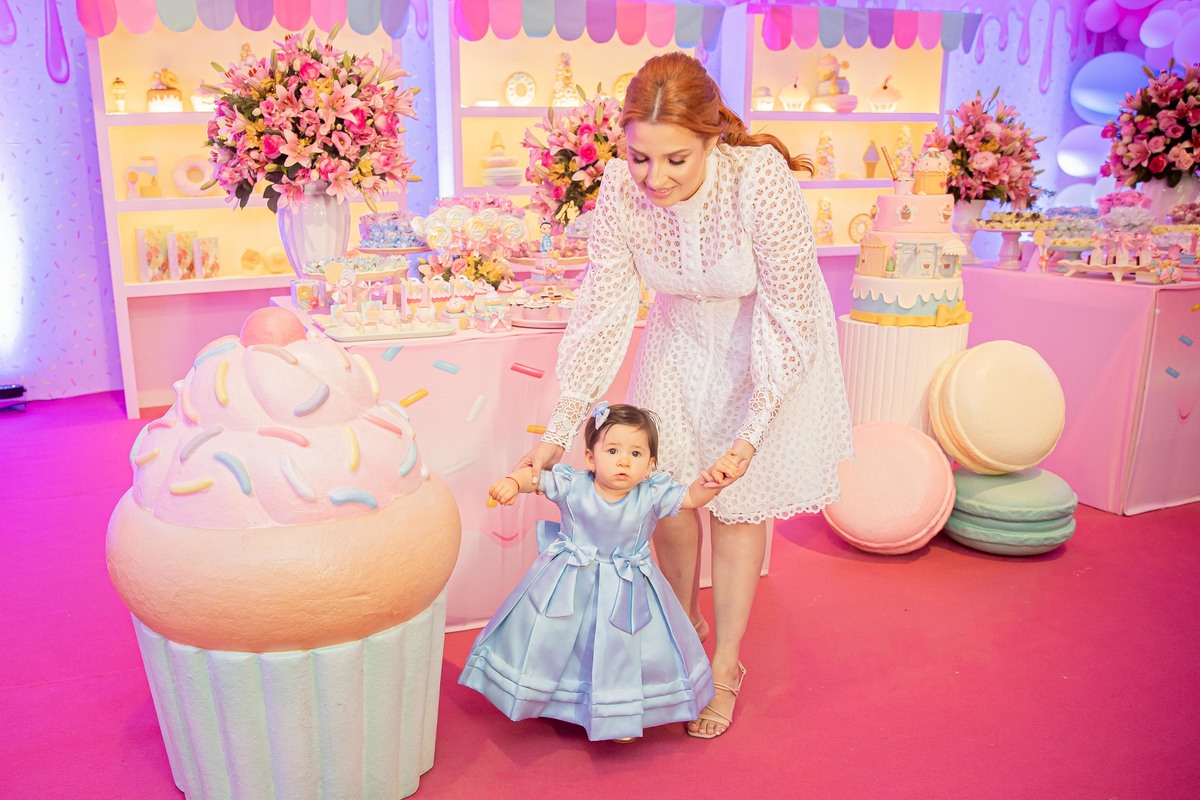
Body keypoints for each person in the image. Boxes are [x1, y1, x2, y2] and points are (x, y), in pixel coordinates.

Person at [515, 51, 854, 739]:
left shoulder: (759, 179)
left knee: (734, 505)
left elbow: (790, 312)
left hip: (761, 344)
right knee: (664, 494)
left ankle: (725, 663)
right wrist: (559, 429)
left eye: (676, 159)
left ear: (711, 138)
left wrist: (753, 432)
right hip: (675, 342)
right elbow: (603, 309)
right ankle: (680, 627)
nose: (654, 178)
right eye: (640, 157)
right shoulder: (619, 187)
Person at [459, 403, 740, 742]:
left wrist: (713, 481)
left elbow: (692, 497)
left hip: (626, 588)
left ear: (650, 465)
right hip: (569, 582)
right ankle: (553, 697)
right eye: (613, 451)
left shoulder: (652, 494)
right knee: (558, 638)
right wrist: (512, 482)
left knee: (619, 647)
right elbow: (536, 478)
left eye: (636, 453)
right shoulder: (574, 485)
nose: (624, 461)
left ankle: (617, 712)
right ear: (591, 459)